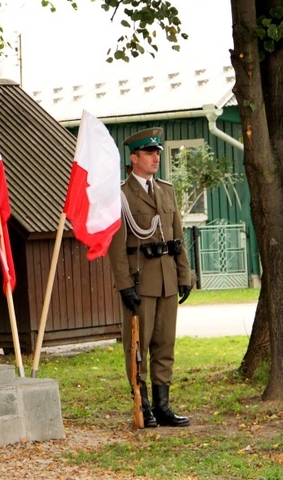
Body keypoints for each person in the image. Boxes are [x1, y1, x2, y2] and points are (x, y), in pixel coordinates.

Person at [108, 128, 193, 428]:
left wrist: (185, 275)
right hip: (141, 281)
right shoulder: (121, 194)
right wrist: (123, 284)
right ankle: (141, 403)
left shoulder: (166, 190)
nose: (156, 157)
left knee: (165, 343)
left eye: (157, 152)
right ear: (134, 158)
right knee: (137, 346)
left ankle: (163, 405)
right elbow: (117, 246)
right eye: (149, 152)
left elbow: (177, 238)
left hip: (168, 279)